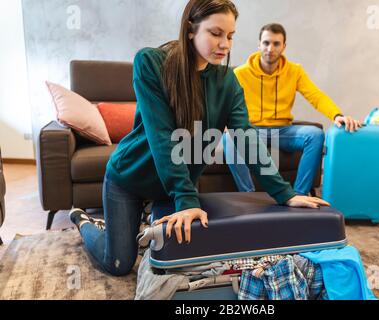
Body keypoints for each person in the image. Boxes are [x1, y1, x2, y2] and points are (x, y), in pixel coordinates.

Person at [69, 0, 329, 277]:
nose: (225, 45)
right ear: (191, 29)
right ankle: (86, 221)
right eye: (216, 33)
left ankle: (143, 216)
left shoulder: (228, 81)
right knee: (118, 264)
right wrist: (186, 200)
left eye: (230, 36)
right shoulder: (150, 62)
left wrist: (285, 193)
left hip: (175, 184)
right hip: (130, 179)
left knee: (185, 257)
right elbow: (162, 138)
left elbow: (247, 139)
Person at [223, 23, 362, 196]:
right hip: (252, 129)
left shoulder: (295, 71)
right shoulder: (240, 73)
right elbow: (225, 102)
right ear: (259, 44)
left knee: (315, 134)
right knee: (229, 138)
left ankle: (299, 195)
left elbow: (315, 96)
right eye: (266, 43)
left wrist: (337, 115)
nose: (270, 48)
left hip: (282, 130)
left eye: (276, 43)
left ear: (284, 46)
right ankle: (249, 194)